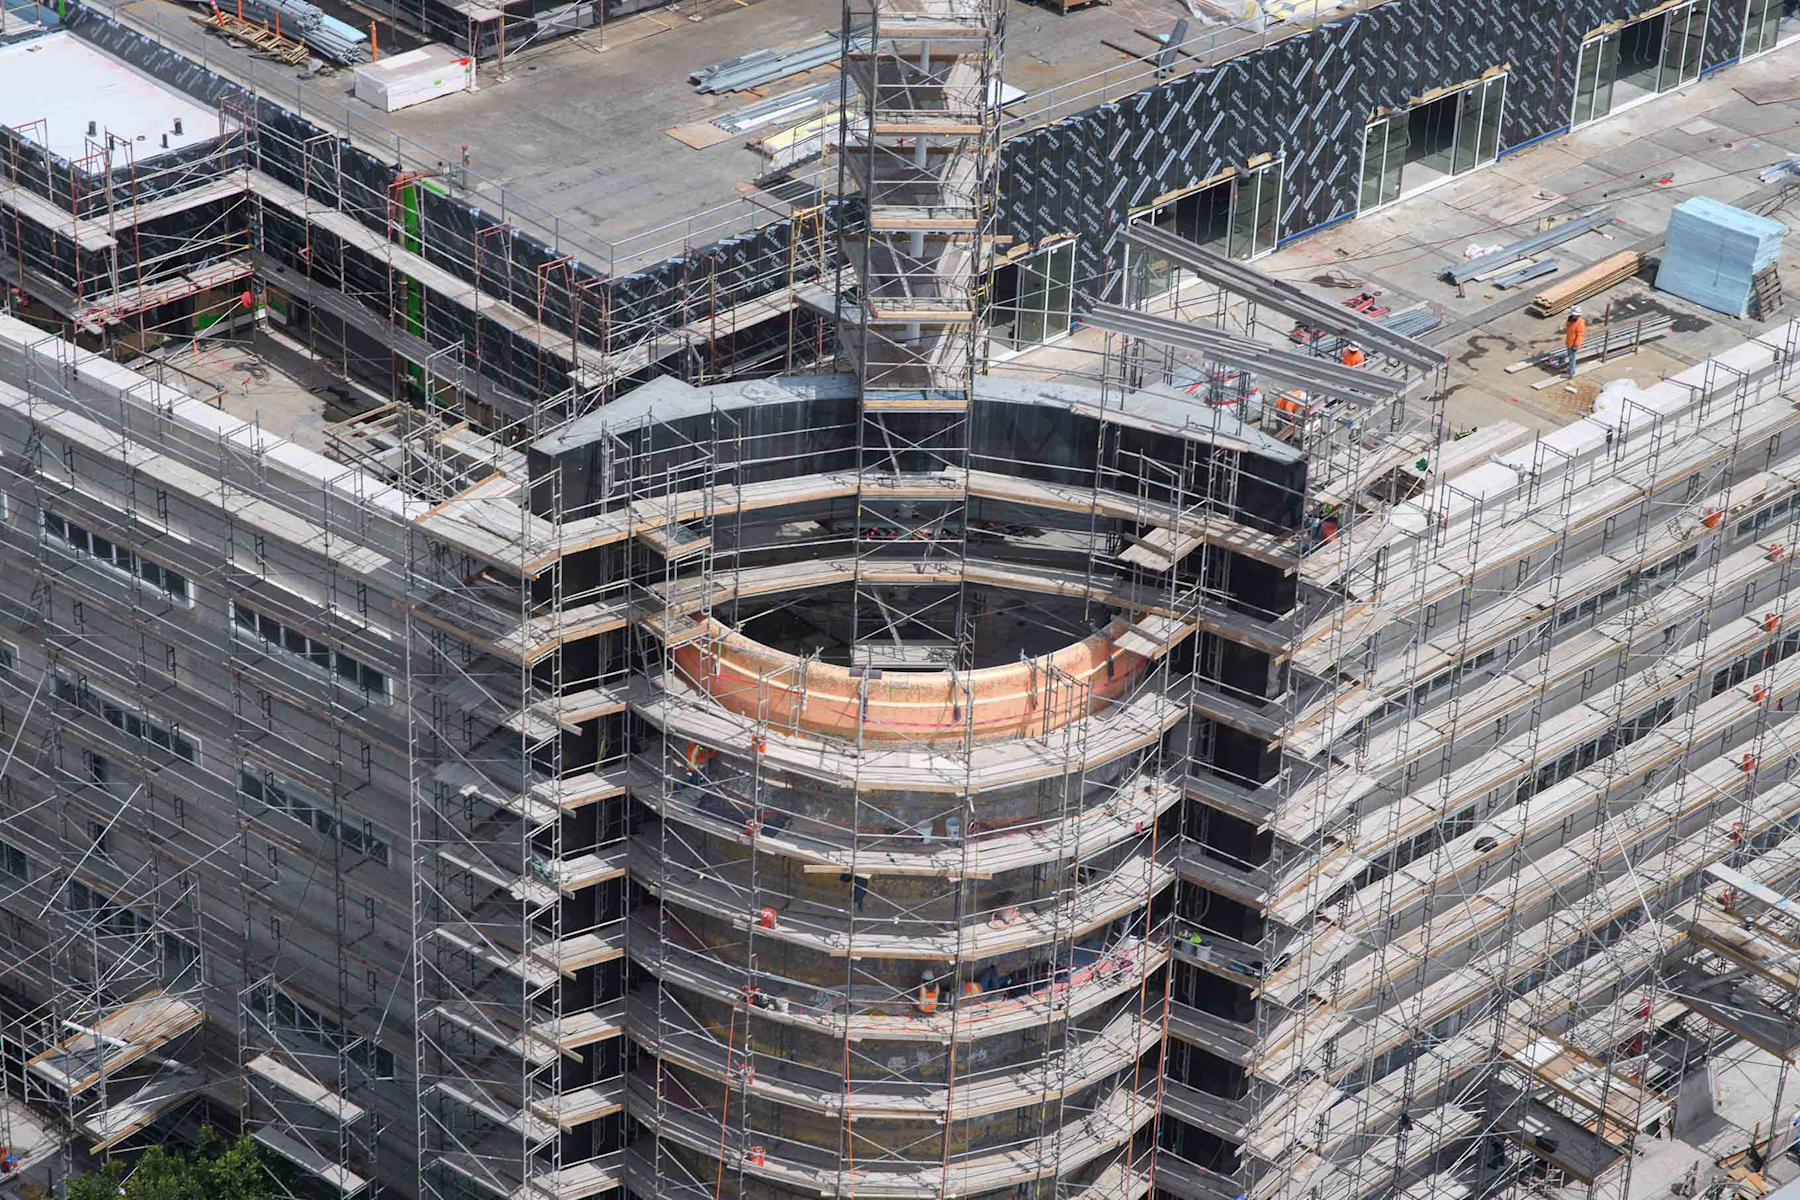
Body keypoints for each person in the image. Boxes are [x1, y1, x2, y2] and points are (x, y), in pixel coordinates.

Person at [1565, 306, 1586, 378]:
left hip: (1573, 344)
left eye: (1574, 315)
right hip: (1569, 342)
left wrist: (1576, 345)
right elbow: (1567, 326)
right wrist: (1569, 321)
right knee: (1570, 357)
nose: (1573, 316)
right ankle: (1571, 370)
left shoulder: (1580, 322)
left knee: (1572, 358)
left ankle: (1570, 373)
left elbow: (1580, 335)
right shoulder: (1572, 319)